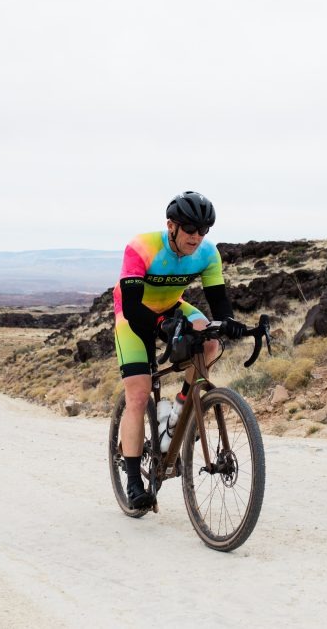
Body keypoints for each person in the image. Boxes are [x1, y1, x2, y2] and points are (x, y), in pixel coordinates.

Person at [113, 191, 248, 509]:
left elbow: (218, 301)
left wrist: (230, 322)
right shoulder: (142, 247)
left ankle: (179, 409)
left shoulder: (207, 254)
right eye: (190, 229)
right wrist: (160, 327)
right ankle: (133, 482)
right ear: (171, 225)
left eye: (204, 230)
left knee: (212, 340)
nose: (197, 237)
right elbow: (132, 307)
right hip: (134, 313)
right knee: (138, 393)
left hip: (173, 306)